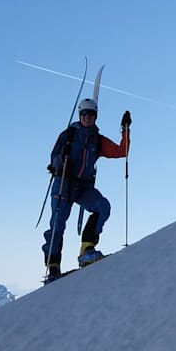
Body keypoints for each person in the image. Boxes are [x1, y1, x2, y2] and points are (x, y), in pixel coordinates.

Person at [42, 100, 130, 284]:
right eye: (84, 114)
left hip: (83, 187)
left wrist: (125, 130)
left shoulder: (97, 140)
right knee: (57, 225)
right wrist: (61, 157)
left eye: (91, 114)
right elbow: (53, 159)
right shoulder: (68, 135)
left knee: (102, 207)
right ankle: (53, 268)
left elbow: (122, 151)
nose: (87, 117)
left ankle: (86, 250)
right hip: (63, 182)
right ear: (80, 116)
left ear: (95, 117)